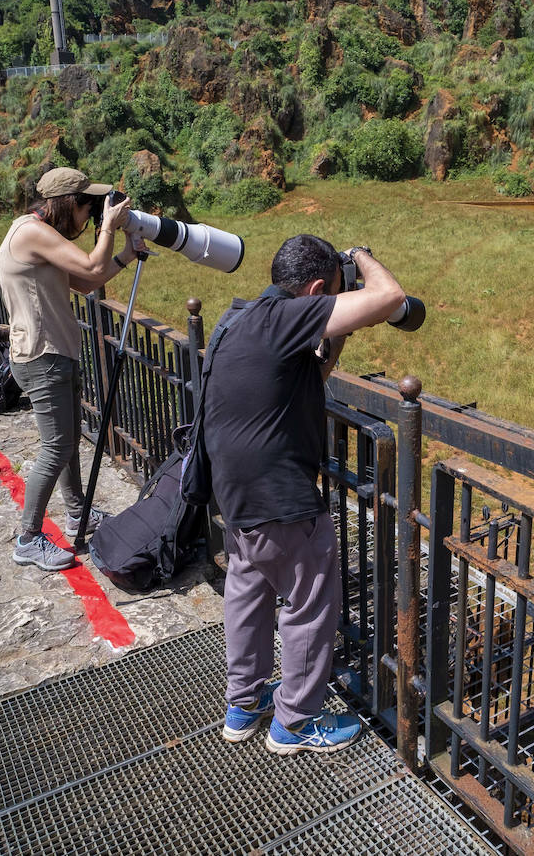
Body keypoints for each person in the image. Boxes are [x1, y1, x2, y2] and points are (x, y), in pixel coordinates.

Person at [205, 234, 406, 754]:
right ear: (316, 291)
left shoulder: (246, 319)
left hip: (236, 494)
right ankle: (295, 722)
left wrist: (340, 330)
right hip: (281, 496)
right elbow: (388, 297)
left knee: (247, 593)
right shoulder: (284, 319)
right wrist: (360, 255)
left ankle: (244, 704)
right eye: (332, 297)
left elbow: (306, 377)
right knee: (310, 603)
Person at [0, 166, 145, 572]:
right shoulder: (31, 232)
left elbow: (85, 282)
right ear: (66, 203)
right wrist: (109, 229)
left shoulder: (39, 234)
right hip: (42, 357)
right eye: (87, 207)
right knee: (56, 448)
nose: (88, 217)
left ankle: (78, 512)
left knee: (66, 443)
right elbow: (92, 268)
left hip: (54, 354)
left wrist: (125, 255)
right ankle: (28, 538)